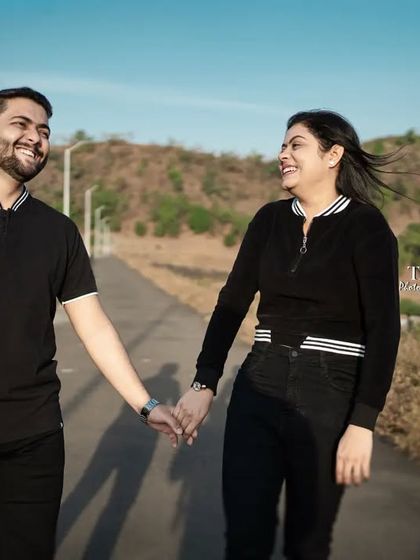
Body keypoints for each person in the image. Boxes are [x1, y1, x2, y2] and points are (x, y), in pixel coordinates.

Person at [173, 110, 401, 559]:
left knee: (308, 543)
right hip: (259, 382)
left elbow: (384, 328)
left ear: (333, 154)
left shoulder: (366, 226)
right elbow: (231, 303)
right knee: (244, 537)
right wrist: (204, 382)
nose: (283, 154)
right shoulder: (269, 219)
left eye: (295, 144)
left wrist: (362, 422)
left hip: (330, 392)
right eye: (282, 145)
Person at [0, 86, 183, 560]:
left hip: (33, 438)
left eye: (43, 131)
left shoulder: (57, 230)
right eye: (21, 124)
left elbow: (94, 326)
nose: (35, 138)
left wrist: (146, 405)